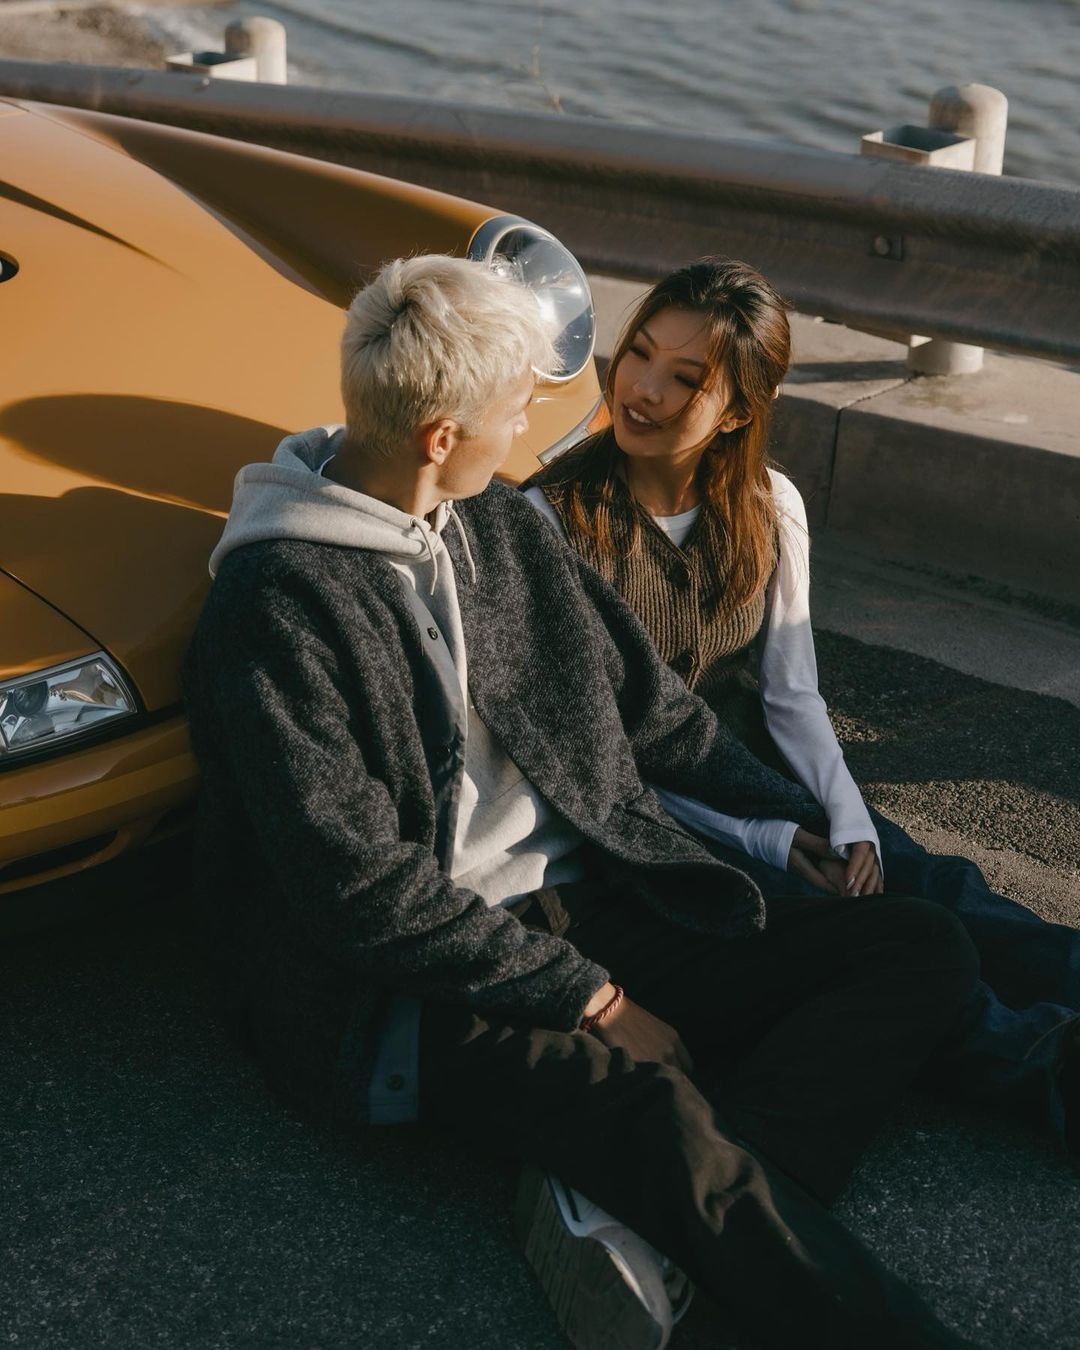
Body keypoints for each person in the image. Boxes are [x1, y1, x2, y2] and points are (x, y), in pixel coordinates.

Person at [183, 254, 984, 1350]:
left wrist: (779, 817)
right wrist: (594, 1002)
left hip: (593, 891)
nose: (536, 426)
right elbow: (360, 893)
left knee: (914, 946)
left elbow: (650, 710)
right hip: (417, 974)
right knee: (648, 1113)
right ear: (440, 437)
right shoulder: (274, 608)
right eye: (515, 408)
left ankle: (663, 1215)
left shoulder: (501, 526)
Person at [522, 255, 1079, 1149]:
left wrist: (848, 815)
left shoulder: (768, 503)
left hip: (766, 784)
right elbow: (597, 761)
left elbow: (791, 690)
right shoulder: (551, 521)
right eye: (639, 354)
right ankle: (1046, 1071)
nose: (643, 388)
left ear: (738, 408)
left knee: (933, 881)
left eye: (685, 378)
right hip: (650, 820)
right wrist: (772, 838)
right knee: (874, 939)